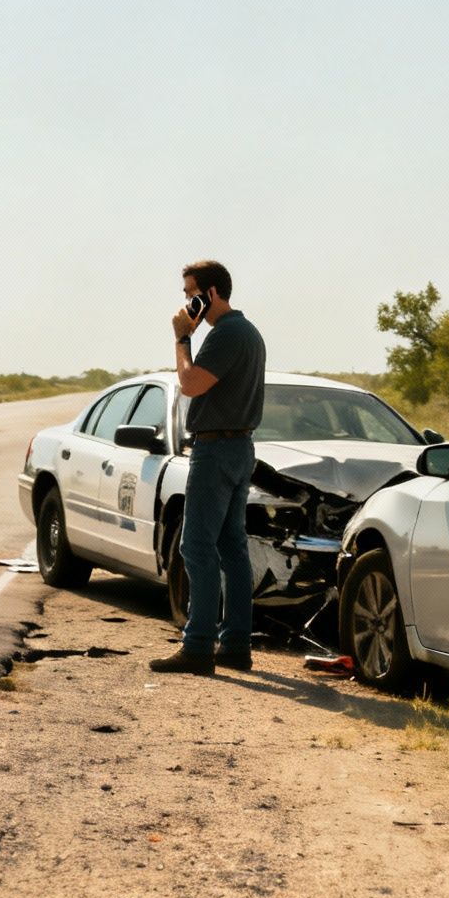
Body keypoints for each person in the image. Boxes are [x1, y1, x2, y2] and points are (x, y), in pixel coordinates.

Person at [150, 260, 267, 675]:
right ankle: (234, 646)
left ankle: (198, 645)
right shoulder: (248, 332)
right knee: (231, 548)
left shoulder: (227, 333)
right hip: (239, 447)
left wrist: (183, 339)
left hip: (216, 450)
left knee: (196, 547)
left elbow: (191, 383)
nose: (186, 302)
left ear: (210, 295)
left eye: (190, 294)